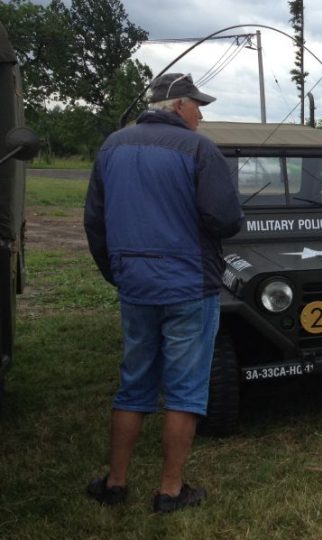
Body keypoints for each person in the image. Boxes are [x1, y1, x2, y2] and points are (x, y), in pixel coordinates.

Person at [83, 73, 244, 513]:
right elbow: (225, 219)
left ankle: (115, 483)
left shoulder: (112, 146)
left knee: (133, 384)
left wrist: (118, 273)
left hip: (136, 287)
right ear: (176, 105)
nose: (201, 113)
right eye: (197, 104)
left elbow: (95, 224)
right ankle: (171, 491)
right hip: (190, 287)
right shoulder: (198, 148)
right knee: (185, 389)